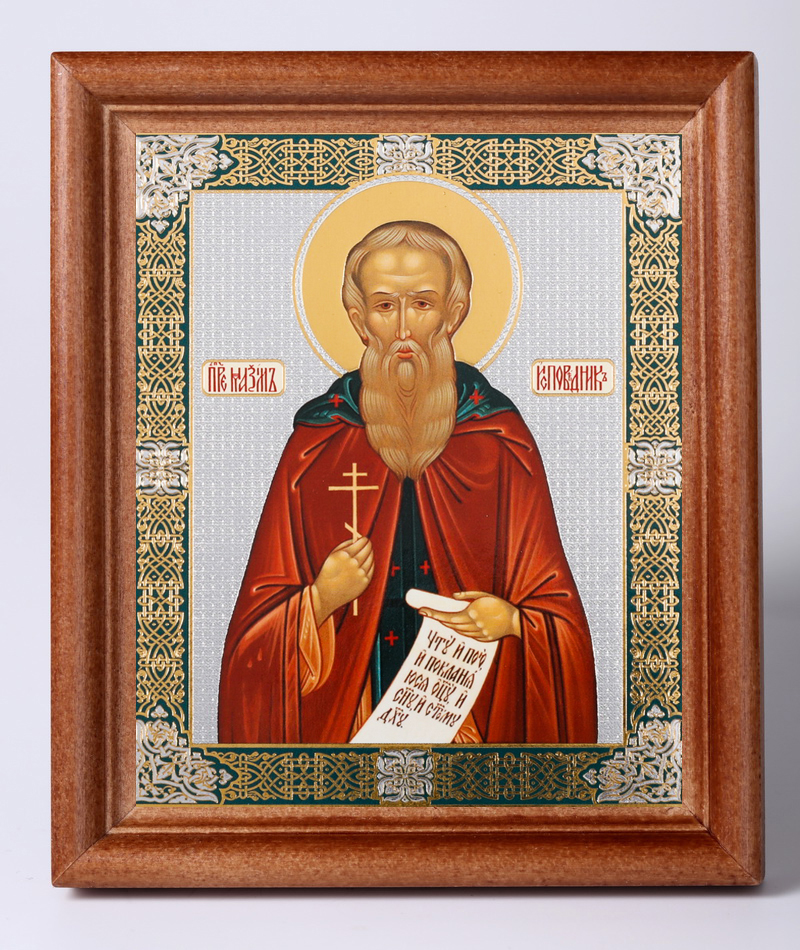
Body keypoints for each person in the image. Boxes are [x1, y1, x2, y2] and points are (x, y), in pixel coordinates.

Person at [218, 220, 597, 745]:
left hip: (471, 724)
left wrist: (513, 622)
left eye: (421, 304)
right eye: (383, 306)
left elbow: (559, 618)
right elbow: (249, 646)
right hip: (349, 728)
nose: (402, 330)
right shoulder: (317, 445)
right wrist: (319, 600)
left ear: (454, 313)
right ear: (358, 319)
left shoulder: (500, 441)